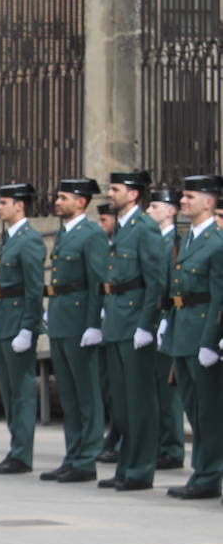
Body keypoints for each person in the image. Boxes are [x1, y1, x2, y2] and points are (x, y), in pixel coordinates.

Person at [100, 169, 166, 491]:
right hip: (115, 322)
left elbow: (156, 282)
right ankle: (125, 466)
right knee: (122, 404)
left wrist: (146, 325)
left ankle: (140, 470)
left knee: (140, 402)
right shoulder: (123, 228)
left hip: (133, 324)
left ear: (134, 194)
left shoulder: (145, 229)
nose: (109, 194)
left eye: (115, 189)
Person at [40, 179, 109, 483]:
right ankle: (72, 455)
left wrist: (94, 323)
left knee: (86, 395)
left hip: (80, 321)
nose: (57, 201)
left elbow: (97, 282)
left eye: (64, 197)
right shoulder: (66, 233)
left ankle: (87, 458)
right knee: (68, 395)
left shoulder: (91, 233)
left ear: (81, 202)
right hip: (61, 319)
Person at [160, 175, 223, 500]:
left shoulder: (216, 241)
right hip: (182, 331)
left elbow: (218, 297)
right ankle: (203, 471)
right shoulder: (189, 239)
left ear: (208, 202)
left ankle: (209, 475)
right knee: (194, 408)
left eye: (189, 197)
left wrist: (211, 341)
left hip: (201, 334)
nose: (182, 202)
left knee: (209, 410)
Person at [0, 183, 45, 474]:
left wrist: (29, 327)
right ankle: (15, 449)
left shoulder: (29, 240)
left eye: (3, 202)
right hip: (5, 321)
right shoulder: (10, 238)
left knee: (22, 392)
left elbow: (33, 289)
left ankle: (22, 454)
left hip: (18, 324)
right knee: (8, 391)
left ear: (20, 205)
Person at [146, 187, 187, 470]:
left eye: (155, 207)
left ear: (171, 211)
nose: (150, 212)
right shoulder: (153, 240)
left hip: (166, 319)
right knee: (153, 389)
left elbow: (172, 284)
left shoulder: (175, 242)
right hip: (150, 320)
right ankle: (159, 443)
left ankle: (172, 448)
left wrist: (166, 319)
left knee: (167, 389)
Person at [94, 200, 123, 463]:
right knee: (108, 385)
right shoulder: (106, 247)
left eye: (105, 220)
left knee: (122, 389)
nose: (101, 225)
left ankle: (120, 436)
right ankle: (115, 434)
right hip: (107, 322)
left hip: (121, 321)